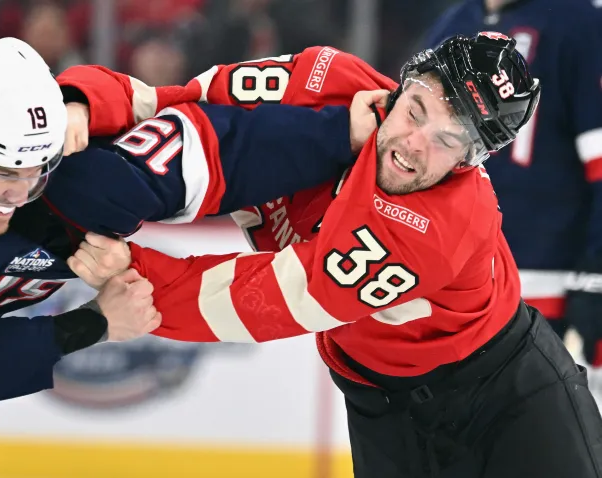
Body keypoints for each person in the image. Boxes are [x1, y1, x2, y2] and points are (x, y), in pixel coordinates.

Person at [0, 35, 383, 477]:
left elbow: (210, 142)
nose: (17, 194)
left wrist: (337, 134)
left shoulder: (66, 165)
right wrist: (95, 324)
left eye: (36, 169)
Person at [52, 33, 602, 477]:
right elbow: (185, 100)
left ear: (471, 159)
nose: (414, 144)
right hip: (379, 405)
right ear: (404, 83)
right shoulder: (322, 78)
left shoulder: (440, 223)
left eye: (448, 140)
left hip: (511, 396)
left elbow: (271, 300)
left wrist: (134, 273)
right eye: (416, 111)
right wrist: (81, 104)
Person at [422, 0, 602, 385]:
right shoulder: (454, 23)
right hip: (454, 282)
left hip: (546, 283)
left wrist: (597, 271)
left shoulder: (581, 23)